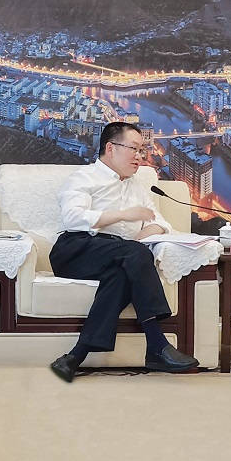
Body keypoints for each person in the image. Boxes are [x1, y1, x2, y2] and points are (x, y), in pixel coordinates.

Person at [49, 122, 199, 382]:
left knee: (120, 276)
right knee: (135, 254)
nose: (140, 157)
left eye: (142, 150)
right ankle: (157, 345)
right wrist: (124, 215)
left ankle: (74, 357)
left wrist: (143, 236)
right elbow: (72, 218)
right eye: (134, 149)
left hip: (118, 254)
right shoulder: (84, 177)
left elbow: (160, 222)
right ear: (111, 148)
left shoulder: (136, 186)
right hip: (76, 249)